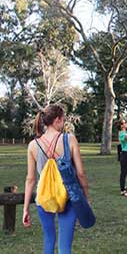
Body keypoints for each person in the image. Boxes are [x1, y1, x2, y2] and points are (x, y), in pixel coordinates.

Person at [23, 105, 89, 254]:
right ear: (57, 120)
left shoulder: (33, 145)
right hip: (68, 197)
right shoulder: (69, 139)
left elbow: (30, 179)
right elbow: (81, 173)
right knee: (65, 246)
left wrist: (26, 208)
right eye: (63, 119)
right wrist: (85, 197)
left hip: (43, 197)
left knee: (48, 239)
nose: (64, 122)